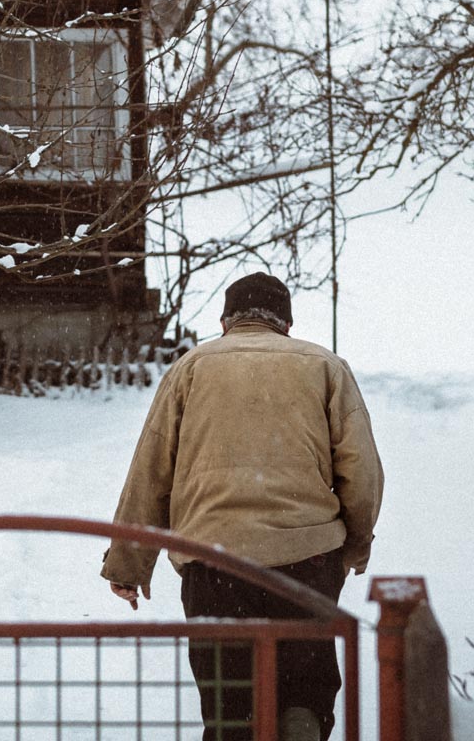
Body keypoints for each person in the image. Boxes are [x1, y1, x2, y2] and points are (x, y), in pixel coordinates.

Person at [100, 272, 383, 741]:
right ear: (286, 323)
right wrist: (353, 545)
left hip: (214, 563)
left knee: (230, 704)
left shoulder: (191, 368)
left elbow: (151, 471)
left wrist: (129, 564)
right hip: (306, 562)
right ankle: (300, 724)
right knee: (303, 696)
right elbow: (362, 471)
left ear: (226, 320)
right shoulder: (325, 366)